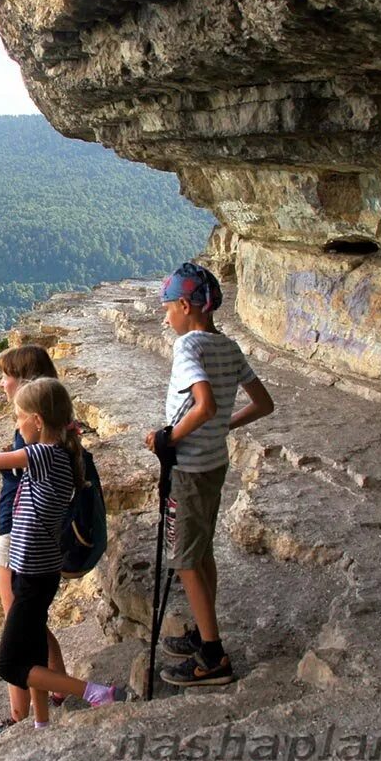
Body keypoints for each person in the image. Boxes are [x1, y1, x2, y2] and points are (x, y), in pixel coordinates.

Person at [0, 377, 125, 735]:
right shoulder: (62, 454)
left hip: (31, 577)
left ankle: (95, 692)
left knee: (10, 665)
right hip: (42, 571)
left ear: (38, 421)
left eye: (19, 417)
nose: (17, 424)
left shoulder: (43, 455)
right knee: (31, 653)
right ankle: (41, 723)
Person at [144, 262, 274, 686]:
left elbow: (203, 405)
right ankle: (203, 631)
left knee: (184, 561)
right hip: (214, 462)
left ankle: (213, 656)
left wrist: (169, 437)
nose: (165, 318)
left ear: (185, 305)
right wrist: (224, 427)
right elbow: (261, 403)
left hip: (190, 469)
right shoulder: (229, 346)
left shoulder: (189, 347)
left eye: (168, 309)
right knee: (202, 554)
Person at [0, 347, 68, 738]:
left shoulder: (36, 443)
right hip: (38, 545)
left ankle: (19, 716)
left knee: (16, 628)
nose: (1, 383)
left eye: (6, 375)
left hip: (18, 540)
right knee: (32, 622)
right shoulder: (58, 430)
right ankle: (54, 691)